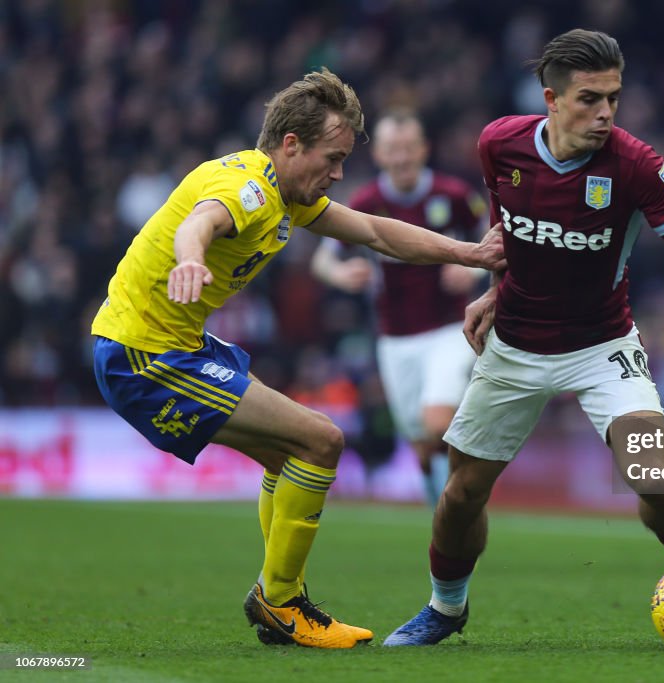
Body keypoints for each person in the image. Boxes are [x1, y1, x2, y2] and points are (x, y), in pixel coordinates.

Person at [90, 68, 504, 650]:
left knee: (289, 456)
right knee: (322, 439)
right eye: (331, 158)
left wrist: (470, 252)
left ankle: (281, 597)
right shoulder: (250, 188)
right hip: (145, 356)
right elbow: (200, 221)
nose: (337, 174)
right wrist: (190, 259)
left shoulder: (287, 193)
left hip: (171, 346)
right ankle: (280, 600)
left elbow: (377, 233)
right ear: (291, 145)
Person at [383, 29, 664, 646]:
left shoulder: (636, 164)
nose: (606, 112)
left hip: (602, 344)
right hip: (513, 345)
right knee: (461, 495)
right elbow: (508, 224)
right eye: (590, 98)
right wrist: (494, 285)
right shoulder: (498, 144)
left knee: (655, 473)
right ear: (552, 99)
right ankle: (445, 609)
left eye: (614, 97)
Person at [311, 112, 486, 508]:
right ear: (380, 155)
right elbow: (322, 261)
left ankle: (456, 513)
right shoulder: (366, 203)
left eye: (409, 148)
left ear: (423, 150)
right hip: (394, 340)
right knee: (422, 443)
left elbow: (494, 241)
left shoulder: (454, 196)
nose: (402, 158)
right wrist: (341, 274)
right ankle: (437, 504)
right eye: (393, 149)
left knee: (437, 422)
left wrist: (471, 270)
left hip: (449, 330)